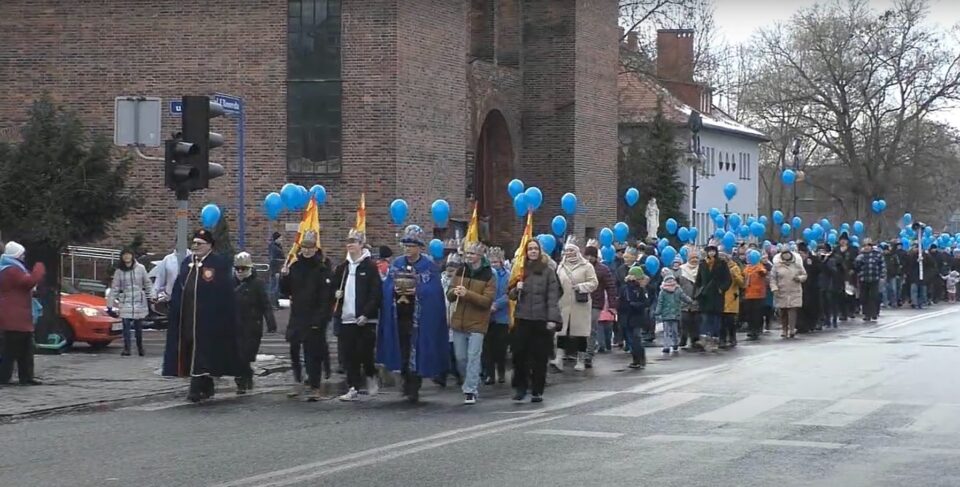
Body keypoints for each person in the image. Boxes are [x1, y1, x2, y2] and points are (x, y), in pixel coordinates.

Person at [162, 229, 242, 402]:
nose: (196, 246)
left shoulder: (218, 263)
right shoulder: (187, 263)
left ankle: (196, 387)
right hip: (188, 317)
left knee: (205, 352)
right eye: (194, 243)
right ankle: (205, 385)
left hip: (209, 319)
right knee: (191, 350)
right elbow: (179, 287)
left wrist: (223, 317)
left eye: (200, 243)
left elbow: (224, 292)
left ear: (210, 246)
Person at [378, 225, 449, 403]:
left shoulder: (428, 266)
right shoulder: (397, 263)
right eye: (406, 246)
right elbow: (387, 287)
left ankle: (414, 385)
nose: (408, 249)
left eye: (411, 246)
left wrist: (416, 288)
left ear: (419, 247)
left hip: (419, 318)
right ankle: (404, 379)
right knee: (402, 349)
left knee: (416, 350)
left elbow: (434, 291)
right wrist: (394, 289)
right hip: (399, 315)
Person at [279, 230, 333, 402]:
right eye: (304, 247)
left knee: (312, 353)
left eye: (310, 247)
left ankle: (314, 385)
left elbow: (326, 297)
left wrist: (320, 319)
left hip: (314, 316)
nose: (307, 251)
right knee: (294, 350)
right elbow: (286, 291)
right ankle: (297, 380)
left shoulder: (322, 268)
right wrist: (284, 277)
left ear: (315, 248)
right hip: (297, 315)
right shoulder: (295, 266)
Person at [332, 229, 383, 402]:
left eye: (354, 241)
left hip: (364, 320)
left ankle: (371, 374)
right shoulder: (343, 268)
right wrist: (336, 294)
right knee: (349, 355)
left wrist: (366, 314)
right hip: (346, 318)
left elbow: (375, 293)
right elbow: (333, 287)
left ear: (361, 244)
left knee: (365, 353)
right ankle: (353, 387)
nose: (350, 244)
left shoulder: (369, 267)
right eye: (348, 241)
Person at [509, 239, 561, 403]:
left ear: (540, 251)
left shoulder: (547, 271)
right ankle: (520, 388)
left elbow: (553, 295)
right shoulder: (520, 269)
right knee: (520, 355)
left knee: (539, 357)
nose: (532, 252)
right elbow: (510, 294)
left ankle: (537, 389)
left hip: (540, 319)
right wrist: (515, 289)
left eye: (535, 249)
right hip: (523, 317)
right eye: (530, 249)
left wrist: (552, 318)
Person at [446, 241, 495, 405]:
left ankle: (470, 389)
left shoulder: (489, 275)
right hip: (459, 322)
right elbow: (449, 294)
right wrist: (454, 292)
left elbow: (486, 301)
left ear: (480, 256)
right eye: (467, 254)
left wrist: (468, 294)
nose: (468, 257)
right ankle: (472, 378)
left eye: (472, 254)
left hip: (477, 323)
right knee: (460, 357)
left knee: (473, 356)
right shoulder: (461, 270)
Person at [0, 241, 46, 385]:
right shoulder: (10, 269)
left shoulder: (14, 268)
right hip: (13, 316)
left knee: (26, 348)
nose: (24, 257)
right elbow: (28, 282)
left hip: (20, 316)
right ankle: (4, 377)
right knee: (10, 349)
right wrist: (39, 268)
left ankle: (26, 376)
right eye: (22, 254)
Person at [233, 251, 277, 394]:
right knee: (238, 354)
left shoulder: (257, 284)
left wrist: (271, 323)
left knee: (247, 353)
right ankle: (240, 380)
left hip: (252, 325)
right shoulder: (230, 283)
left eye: (243, 268)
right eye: (238, 268)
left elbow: (265, 304)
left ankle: (246, 374)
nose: (240, 271)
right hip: (235, 325)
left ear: (249, 268)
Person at [555, 239, 599, 372]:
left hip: (580, 305)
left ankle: (580, 359)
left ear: (577, 252)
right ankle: (559, 358)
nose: (569, 253)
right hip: (564, 304)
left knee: (580, 333)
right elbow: (556, 283)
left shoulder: (587, 266)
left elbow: (594, 283)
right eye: (567, 251)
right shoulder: (561, 266)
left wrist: (581, 287)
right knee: (562, 331)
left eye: (571, 251)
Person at [109, 248, 155, 356]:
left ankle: (140, 347)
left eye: (128, 255)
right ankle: (127, 348)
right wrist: (110, 304)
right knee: (126, 325)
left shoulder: (140, 268)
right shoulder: (119, 271)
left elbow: (147, 283)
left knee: (138, 326)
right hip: (125, 299)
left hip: (139, 299)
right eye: (124, 255)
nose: (126, 257)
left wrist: (151, 296)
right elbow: (115, 287)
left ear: (132, 256)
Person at [583, 246, 617, 367]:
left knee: (591, 329)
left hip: (596, 303)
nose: (590, 258)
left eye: (592, 255)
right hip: (581, 302)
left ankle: (588, 354)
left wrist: (612, 305)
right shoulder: (581, 267)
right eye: (588, 255)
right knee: (582, 329)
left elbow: (610, 287)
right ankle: (581, 352)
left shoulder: (603, 269)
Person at [694, 242, 731, 350]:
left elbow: (728, 279)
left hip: (716, 295)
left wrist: (721, 289)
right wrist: (696, 293)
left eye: (713, 251)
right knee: (705, 318)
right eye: (709, 251)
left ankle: (715, 339)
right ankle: (704, 339)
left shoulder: (722, 263)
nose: (711, 253)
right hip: (705, 295)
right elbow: (698, 280)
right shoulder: (703, 264)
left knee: (716, 318)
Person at [482, 247, 510, 385]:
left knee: (500, 346)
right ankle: (490, 374)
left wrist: (497, 304)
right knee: (487, 347)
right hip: (486, 316)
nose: (493, 265)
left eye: (496, 262)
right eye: (491, 262)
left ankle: (501, 371)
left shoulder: (508, 275)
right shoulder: (485, 274)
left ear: (501, 262)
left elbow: (509, 293)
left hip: (502, 317)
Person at [770, 246, 807, 339]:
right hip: (781, 291)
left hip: (794, 290)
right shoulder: (777, 266)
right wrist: (774, 288)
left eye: (787, 253)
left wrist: (799, 278)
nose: (786, 255)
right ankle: (784, 329)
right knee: (783, 311)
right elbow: (773, 278)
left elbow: (804, 274)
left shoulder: (797, 265)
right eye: (784, 254)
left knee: (792, 310)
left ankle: (792, 329)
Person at [619, 266, 650, 368]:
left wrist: (635, 305)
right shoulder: (624, 288)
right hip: (626, 317)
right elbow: (620, 301)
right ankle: (635, 359)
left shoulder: (641, 289)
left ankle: (640, 359)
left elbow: (646, 303)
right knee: (631, 340)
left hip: (637, 317)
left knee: (636, 338)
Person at [656, 268, 692, 354]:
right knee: (671, 331)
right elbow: (660, 302)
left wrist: (658, 311)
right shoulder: (667, 291)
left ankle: (671, 345)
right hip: (671, 314)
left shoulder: (674, 290)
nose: (670, 282)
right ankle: (670, 345)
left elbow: (683, 297)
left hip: (671, 314)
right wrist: (658, 311)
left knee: (671, 331)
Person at [854, 238, 886, 322]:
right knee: (864, 297)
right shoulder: (861, 255)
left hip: (874, 279)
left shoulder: (877, 254)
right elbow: (856, 267)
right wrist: (857, 262)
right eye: (865, 245)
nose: (866, 247)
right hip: (863, 279)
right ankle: (866, 314)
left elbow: (882, 265)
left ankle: (874, 313)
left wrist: (882, 276)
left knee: (873, 296)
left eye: (868, 245)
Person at [677, 249, 702, 351]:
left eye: (696, 258)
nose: (694, 260)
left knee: (696, 320)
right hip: (684, 299)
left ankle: (695, 339)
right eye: (692, 258)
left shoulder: (701, 269)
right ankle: (683, 338)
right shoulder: (681, 269)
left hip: (698, 299)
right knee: (685, 320)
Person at [720, 249, 744, 348]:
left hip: (731, 297)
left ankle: (732, 337)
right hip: (720, 297)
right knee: (721, 321)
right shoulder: (716, 269)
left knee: (730, 320)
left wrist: (735, 276)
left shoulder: (734, 268)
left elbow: (742, 283)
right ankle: (722, 339)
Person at [741, 255, 768, 340]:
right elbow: (743, 277)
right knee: (749, 314)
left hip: (758, 295)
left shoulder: (760, 267)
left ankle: (756, 330)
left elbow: (764, 272)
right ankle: (750, 329)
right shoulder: (747, 268)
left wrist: (762, 273)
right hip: (748, 294)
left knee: (756, 314)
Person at [797, 242, 822, 332]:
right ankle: (801, 326)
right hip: (800, 287)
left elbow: (819, 270)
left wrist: (811, 264)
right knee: (801, 307)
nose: (801, 255)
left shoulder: (813, 259)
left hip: (812, 287)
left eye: (802, 253)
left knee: (811, 306)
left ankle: (812, 324)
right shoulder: (796, 261)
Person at [818, 243, 842, 329]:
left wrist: (826, 261)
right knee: (824, 303)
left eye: (823, 250)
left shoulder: (834, 258)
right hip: (822, 283)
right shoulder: (819, 258)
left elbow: (835, 271)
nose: (821, 252)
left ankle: (834, 319)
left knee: (832, 303)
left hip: (832, 284)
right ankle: (826, 320)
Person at [882, 242, 903, 308]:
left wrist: (897, 273)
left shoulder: (893, 256)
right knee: (884, 290)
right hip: (884, 275)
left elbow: (897, 266)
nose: (885, 251)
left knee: (893, 289)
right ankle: (886, 303)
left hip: (892, 275)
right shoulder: (882, 256)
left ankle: (894, 302)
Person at [268, 232, 284, 310]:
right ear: (276, 239)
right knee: (274, 288)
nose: (282, 240)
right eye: (280, 238)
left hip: (278, 269)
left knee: (277, 288)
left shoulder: (277, 246)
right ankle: (273, 304)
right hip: (275, 270)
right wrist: (276, 271)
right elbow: (273, 260)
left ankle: (276, 303)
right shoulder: (274, 248)